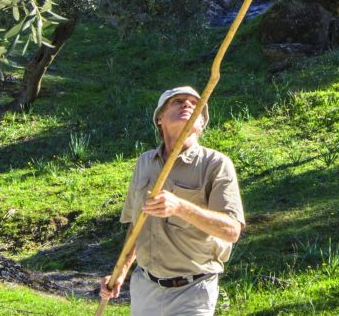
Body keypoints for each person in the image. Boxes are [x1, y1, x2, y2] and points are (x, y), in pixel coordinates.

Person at [100, 86, 245, 315]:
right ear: (160, 118)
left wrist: (179, 207)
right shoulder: (145, 163)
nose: (187, 104)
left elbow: (231, 231)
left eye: (195, 104)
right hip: (145, 286)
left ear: (201, 123)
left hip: (193, 289)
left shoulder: (216, 165)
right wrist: (121, 272)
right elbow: (136, 226)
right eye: (178, 101)